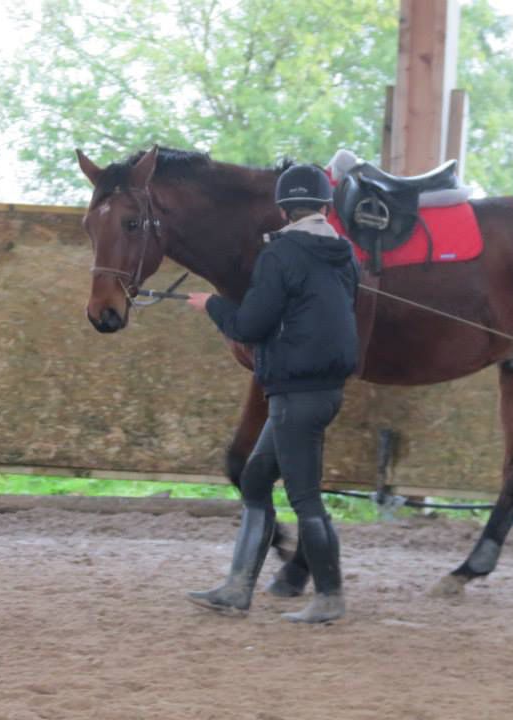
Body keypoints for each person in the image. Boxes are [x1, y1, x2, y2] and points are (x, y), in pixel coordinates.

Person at [185, 163, 359, 623]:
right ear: (326, 208)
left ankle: (330, 597)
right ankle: (237, 588)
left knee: (305, 498)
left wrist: (212, 305)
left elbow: (250, 325)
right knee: (257, 480)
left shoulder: (279, 256)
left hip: (295, 394)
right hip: (321, 391)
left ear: (283, 210)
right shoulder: (345, 255)